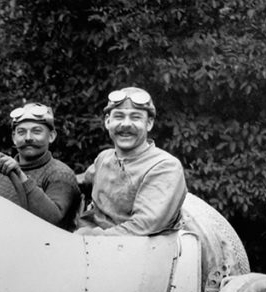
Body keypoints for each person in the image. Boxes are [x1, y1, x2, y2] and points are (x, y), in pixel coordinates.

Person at [75, 87, 187, 236]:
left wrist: (92, 236)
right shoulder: (104, 158)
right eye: (119, 116)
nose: (126, 124)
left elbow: (144, 225)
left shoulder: (164, 166)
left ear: (149, 124)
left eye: (135, 117)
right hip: (92, 243)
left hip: (141, 250)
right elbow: (81, 180)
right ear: (108, 122)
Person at [0, 102, 81, 230]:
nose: (28, 138)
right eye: (21, 132)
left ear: (51, 136)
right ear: (14, 138)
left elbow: (53, 220)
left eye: (36, 131)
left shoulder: (60, 175)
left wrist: (20, 175)